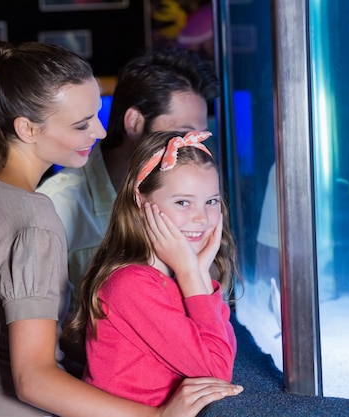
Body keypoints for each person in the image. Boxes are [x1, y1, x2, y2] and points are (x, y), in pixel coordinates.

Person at [0, 40, 241, 417]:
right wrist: (156, 415)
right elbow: (34, 380)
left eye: (96, 116)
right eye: (81, 124)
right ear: (27, 129)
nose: (101, 133)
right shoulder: (35, 218)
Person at [37, 47, 219, 312]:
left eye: (198, 138)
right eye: (181, 134)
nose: (189, 149)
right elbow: (44, 330)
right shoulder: (58, 205)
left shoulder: (199, 200)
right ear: (134, 122)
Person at [66, 130, 240, 407]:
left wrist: (197, 273)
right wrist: (191, 274)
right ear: (141, 201)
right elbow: (217, 371)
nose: (202, 217)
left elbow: (224, 349)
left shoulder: (177, 276)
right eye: (183, 202)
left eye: (212, 201)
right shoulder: (131, 284)